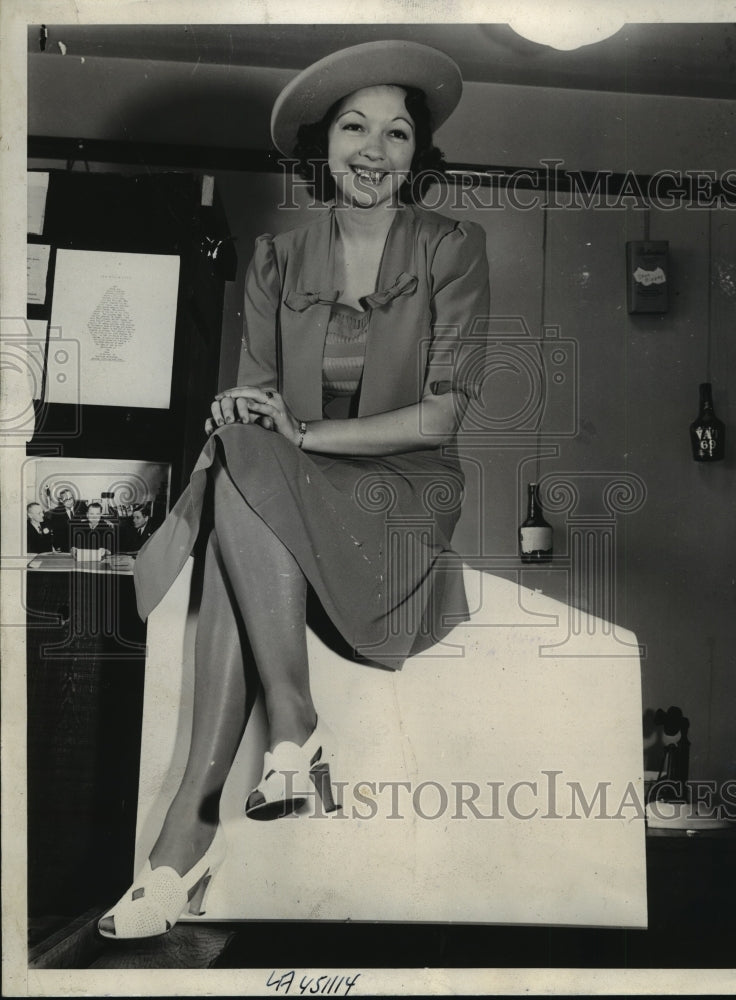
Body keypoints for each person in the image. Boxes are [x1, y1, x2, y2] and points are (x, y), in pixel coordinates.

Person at [99, 40, 490, 940]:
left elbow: (441, 418)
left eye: (397, 132)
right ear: (322, 144)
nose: (374, 149)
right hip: (294, 482)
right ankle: (283, 744)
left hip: (403, 488)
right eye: (355, 126)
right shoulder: (278, 260)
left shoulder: (453, 248)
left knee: (250, 471)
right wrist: (251, 410)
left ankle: (189, 835)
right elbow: (259, 407)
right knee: (238, 447)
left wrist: (302, 433)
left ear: (416, 155)